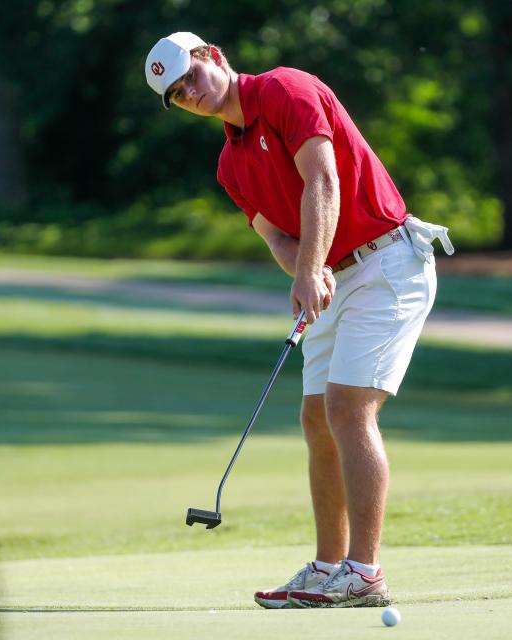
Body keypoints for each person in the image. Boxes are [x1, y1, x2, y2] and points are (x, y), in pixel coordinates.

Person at [146, 31, 453, 609]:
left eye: (190, 75)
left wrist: (311, 270)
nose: (189, 92)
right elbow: (278, 238)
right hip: (334, 275)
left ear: (213, 55)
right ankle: (328, 566)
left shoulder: (287, 89)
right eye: (176, 94)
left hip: (387, 261)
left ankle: (364, 573)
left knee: (347, 408)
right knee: (316, 417)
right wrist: (306, 272)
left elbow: (324, 181)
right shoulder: (230, 164)